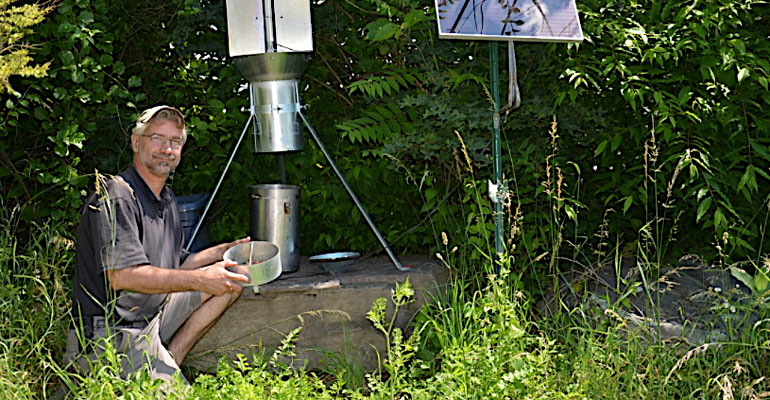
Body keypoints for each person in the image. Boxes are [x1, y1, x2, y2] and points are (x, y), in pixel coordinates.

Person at [64, 105, 251, 384]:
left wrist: (228, 250)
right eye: (157, 138)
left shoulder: (166, 198)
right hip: (112, 334)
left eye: (175, 141)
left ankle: (170, 360)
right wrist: (201, 280)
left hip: (152, 318)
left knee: (232, 280)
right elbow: (122, 276)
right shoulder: (117, 195)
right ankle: (153, 375)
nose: (167, 148)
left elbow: (178, 264)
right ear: (136, 143)